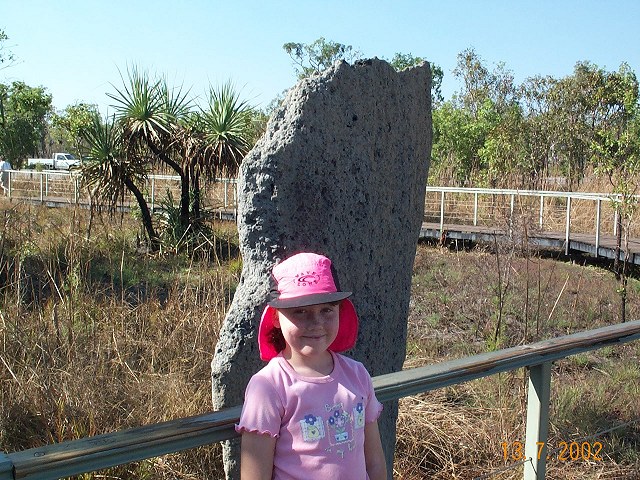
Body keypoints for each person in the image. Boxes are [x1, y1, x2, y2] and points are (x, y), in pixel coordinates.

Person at [236, 252, 387, 480]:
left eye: (326, 310)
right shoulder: (269, 386)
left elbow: (374, 463)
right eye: (300, 311)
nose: (316, 323)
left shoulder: (357, 375)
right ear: (276, 317)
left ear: (340, 311)